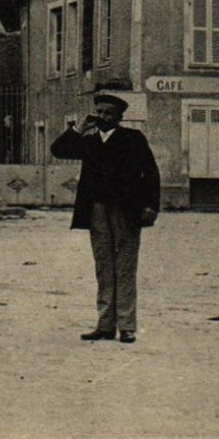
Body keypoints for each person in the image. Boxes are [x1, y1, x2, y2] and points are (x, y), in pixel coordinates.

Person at [50, 88, 160, 344]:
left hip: (127, 210)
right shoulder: (88, 141)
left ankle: (127, 325)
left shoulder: (133, 138)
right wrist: (79, 128)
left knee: (125, 266)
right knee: (103, 266)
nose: (102, 116)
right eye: (99, 111)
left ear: (120, 117)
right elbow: (58, 150)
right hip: (97, 209)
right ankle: (105, 324)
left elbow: (151, 174)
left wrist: (151, 206)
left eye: (109, 113)